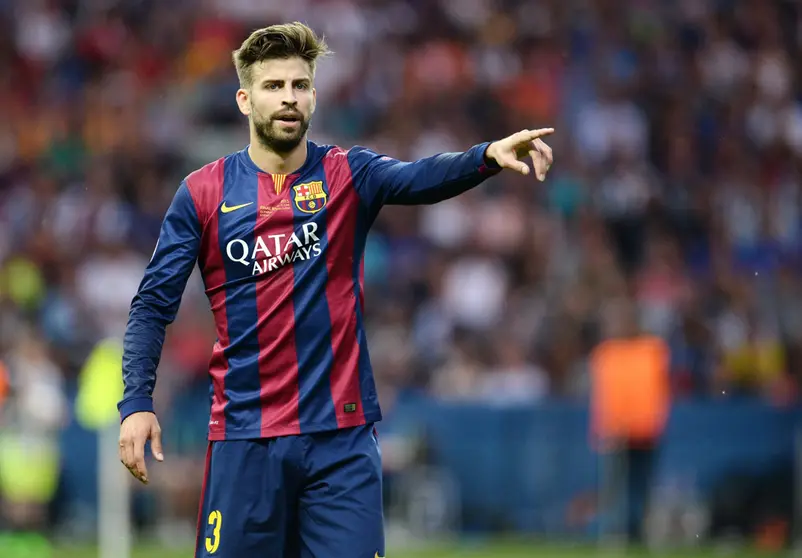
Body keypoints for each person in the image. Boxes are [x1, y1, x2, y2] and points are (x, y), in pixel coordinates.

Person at [117, 21, 555, 558]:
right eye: (273, 86)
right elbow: (151, 306)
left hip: (339, 443)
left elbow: (420, 177)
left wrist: (485, 156)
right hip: (243, 438)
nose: (288, 98)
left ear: (314, 97)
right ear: (243, 99)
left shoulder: (349, 174)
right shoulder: (202, 193)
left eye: (299, 85)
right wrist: (137, 402)